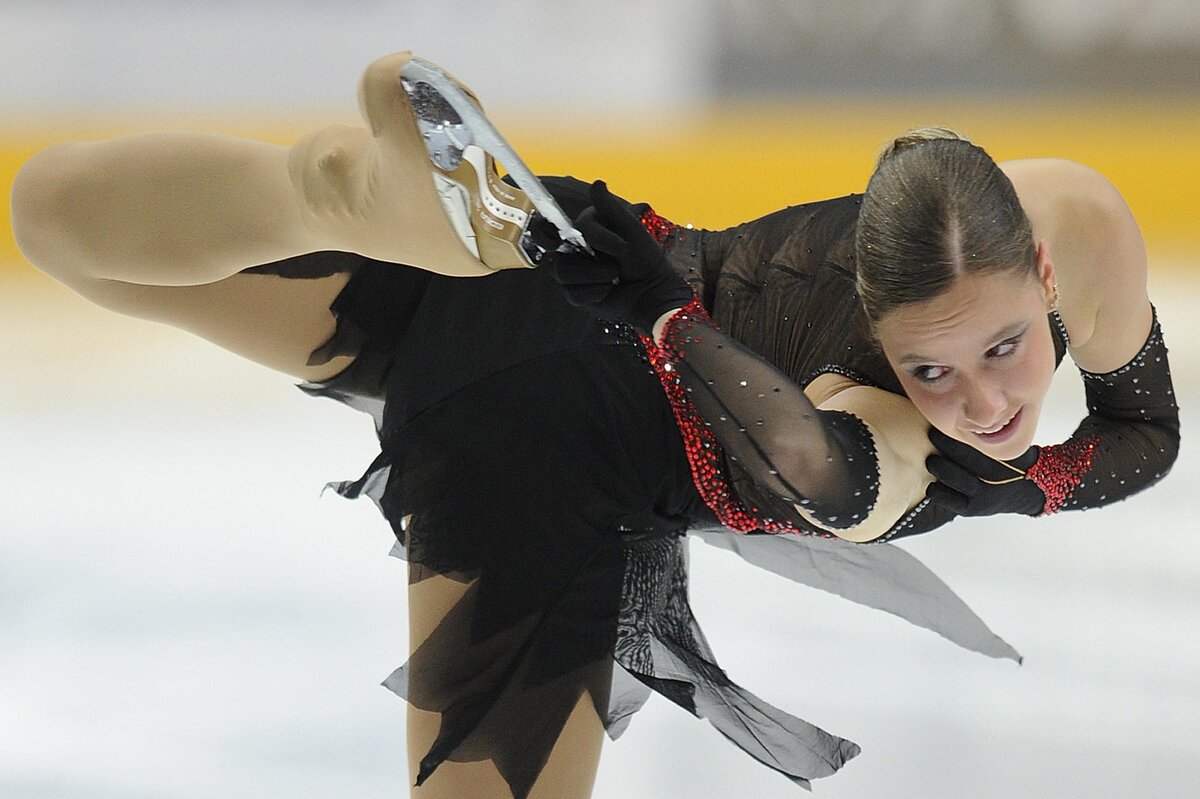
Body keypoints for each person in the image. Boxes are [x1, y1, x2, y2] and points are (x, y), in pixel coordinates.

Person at [10, 51, 1179, 799]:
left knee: (53, 216)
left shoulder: (1067, 215)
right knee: (49, 213)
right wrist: (669, 329)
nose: (979, 400)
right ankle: (338, 197)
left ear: (1041, 268)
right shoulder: (876, 430)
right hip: (541, 465)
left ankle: (328, 195)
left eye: (1006, 349)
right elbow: (821, 482)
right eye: (931, 364)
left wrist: (1021, 478)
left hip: (534, 275)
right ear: (876, 317)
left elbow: (1145, 436)